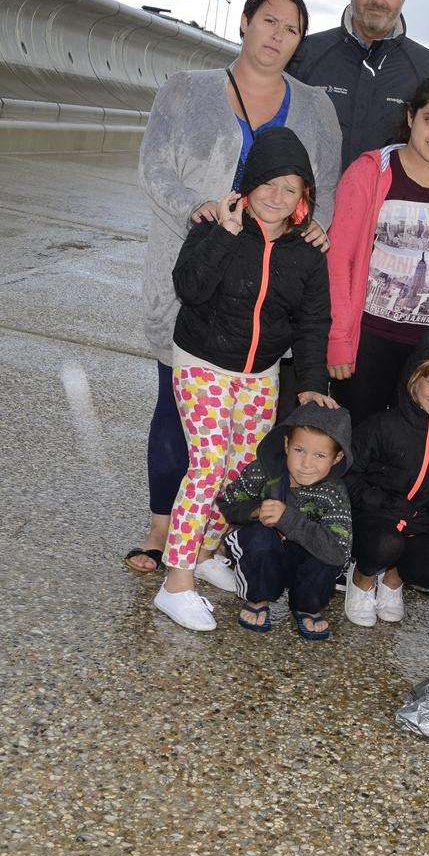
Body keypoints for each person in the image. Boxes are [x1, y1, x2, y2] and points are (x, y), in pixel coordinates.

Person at [129, 0, 341, 578]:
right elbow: (152, 169)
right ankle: (161, 530)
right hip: (193, 274)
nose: (277, 35)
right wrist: (203, 214)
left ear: (299, 43)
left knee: (242, 438)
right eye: (268, 21)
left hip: (263, 296)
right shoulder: (187, 90)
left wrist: (313, 231)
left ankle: (211, 542)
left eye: (291, 29)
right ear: (244, 22)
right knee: (176, 407)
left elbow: (327, 185)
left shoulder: (315, 108)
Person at [153, 128, 339, 631]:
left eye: (291, 189)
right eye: (269, 184)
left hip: (260, 374)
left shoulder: (306, 251)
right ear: (249, 183)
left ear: (305, 198)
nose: (277, 197)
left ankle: (208, 549)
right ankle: (176, 583)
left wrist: (312, 379)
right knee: (208, 466)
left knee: (241, 473)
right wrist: (225, 234)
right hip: (203, 363)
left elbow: (312, 321)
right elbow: (188, 288)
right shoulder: (216, 225)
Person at [326, 77, 429, 428]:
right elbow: (339, 259)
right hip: (368, 340)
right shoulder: (371, 172)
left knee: (411, 451)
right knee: (356, 439)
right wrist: (338, 338)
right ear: (411, 116)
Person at [343, 326, 429, 627]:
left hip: (419, 524)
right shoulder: (383, 425)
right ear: (413, 378)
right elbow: (347, 473)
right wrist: (378, 502)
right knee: (386, 543)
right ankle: (362, 577)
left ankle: (393, 578)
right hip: (373, 519)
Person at [287, 0, 429, 173]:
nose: (379, 0)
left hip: (386, 209)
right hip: (312, 207)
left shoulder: (428, 70)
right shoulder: (305, 54)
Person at [216, 403, 354, 640]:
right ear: (287, 444)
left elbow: (340, 552)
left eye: (320, 455)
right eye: (299, 450)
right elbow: (228, 503)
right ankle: (257, 598)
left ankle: (307, 606)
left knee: (325, 558)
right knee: (259, 536)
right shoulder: (264, 470)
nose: (307, 463)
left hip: (301, 563)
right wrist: (255, 511)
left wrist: (288, 518)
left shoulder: (334, 492)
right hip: (263, 557)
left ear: (336, 458)